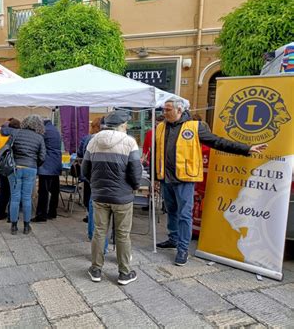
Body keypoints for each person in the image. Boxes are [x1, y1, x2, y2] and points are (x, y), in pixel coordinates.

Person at [155, 97, 267, 266]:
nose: (164, 112)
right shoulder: (161, 127)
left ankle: (183, 248)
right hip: (166, 178)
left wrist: (246, 148)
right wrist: (156, 177)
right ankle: (173, 238)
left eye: (168, 109)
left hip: (185, 178)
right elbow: (157, 152)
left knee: (185, 214)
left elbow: (217, 142)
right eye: (164, 109)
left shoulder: (194, 127)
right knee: (171, 211)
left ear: (179, 110)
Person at [83, 110, 143, 285]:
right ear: (123, 125)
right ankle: (124, 272)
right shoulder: (129, 142)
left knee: (99, 232)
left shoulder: (93, 141)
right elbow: (135, 171)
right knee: (123, 235)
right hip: (122, 196)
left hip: (99, 195)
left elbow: (85, 170)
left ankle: (95, 269)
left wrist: (95, 184)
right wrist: (134, 187)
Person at [8, 115, 46, 235]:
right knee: (26, 197)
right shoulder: (39, 138)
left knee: (14, 197)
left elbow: (8, 150)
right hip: (30, 168)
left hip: (15, 168)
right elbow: (42, 157)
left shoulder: (15, 133)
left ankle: (13, 226)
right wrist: (34, 164)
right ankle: (26, 226)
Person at [34, 118, 62, 222]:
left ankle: (41, 215)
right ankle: (52, 212)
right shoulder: (55, 130)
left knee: (43, 191)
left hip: (46, 165)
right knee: (54, 190)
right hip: (56, 164)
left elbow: (39, 146)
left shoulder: (44, 131)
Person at [0, 118, 21, 221]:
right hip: (11, 166)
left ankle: (0, 213)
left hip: (1, 166)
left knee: (3, 190)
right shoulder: (15, 136)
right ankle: (11, 216)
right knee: (13, 192)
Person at [78, 117, 104, 223]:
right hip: (102, 173)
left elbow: (81, 153)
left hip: (89, 171)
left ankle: (89, 216)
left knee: (89, 196)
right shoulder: (107, 138)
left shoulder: (87, 138)